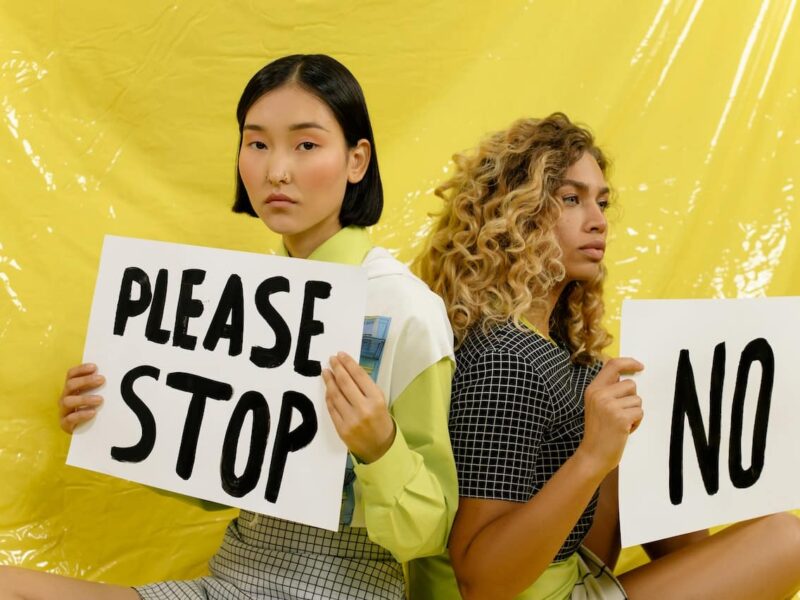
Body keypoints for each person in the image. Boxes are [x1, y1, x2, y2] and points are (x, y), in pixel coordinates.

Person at [0, 54, 457, 600]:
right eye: (257, 143)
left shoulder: (404, 309)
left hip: (344, 585)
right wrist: (113, 416)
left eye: (305, 145)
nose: (276, 171)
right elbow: (222, 481)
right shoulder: (239, 296)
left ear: (357, 159)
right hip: (234, 570)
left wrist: (380, 446)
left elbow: (429, 533)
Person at [414, 113, 800, 599]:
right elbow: (481, 582)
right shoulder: (506, 358)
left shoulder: (559, 352)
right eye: (571, 199)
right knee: (784, 539)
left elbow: (591, 545)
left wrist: (620, 449)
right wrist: (594, 455)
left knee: (635, 436)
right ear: (513, 214)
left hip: (573, 576)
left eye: (601, 201)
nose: (598, 221)